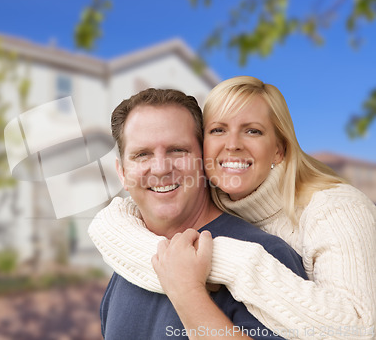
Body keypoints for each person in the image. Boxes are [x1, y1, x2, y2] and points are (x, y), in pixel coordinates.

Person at [89, 77, 376, 339]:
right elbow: (112, 224)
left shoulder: (312, 225)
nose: (162, 168)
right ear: (122, 174)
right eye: (142, 154)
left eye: (178, 150)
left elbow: (360, 328)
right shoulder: (129, 258)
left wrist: (203, 278)